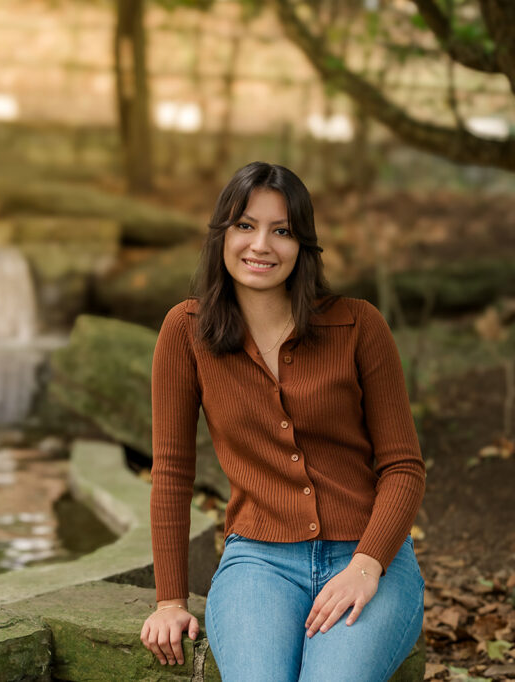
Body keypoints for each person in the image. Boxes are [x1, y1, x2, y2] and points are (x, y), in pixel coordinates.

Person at [138, 161, 427, 681]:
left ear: (303, 245)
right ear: (222, 236)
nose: (261, 245)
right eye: (245, 226)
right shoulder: (186, 331)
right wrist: (168, 600)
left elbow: (404, 467)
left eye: (282, 231)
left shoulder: (358, 325)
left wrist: (367, 566)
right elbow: (173, 472)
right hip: (259, 565)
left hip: (366, 557)